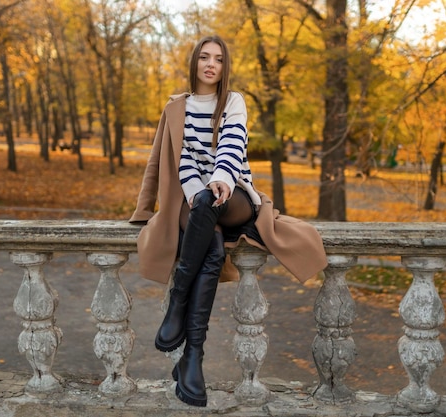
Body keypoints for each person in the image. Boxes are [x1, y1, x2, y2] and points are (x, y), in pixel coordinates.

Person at [129, 35, 327, 407]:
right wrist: (193, 189)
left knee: (213, 199)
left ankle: (178, 300)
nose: (210, 64)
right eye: (204, 57)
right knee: (214, 248)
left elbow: (233, 144)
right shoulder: (178, 107)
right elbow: (182, 158)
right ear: (194, 63)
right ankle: (192, 359)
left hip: (233, 191)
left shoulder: (233, 101)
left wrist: (221, 177)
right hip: (198, 199)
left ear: (224, 67)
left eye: (218, 59)